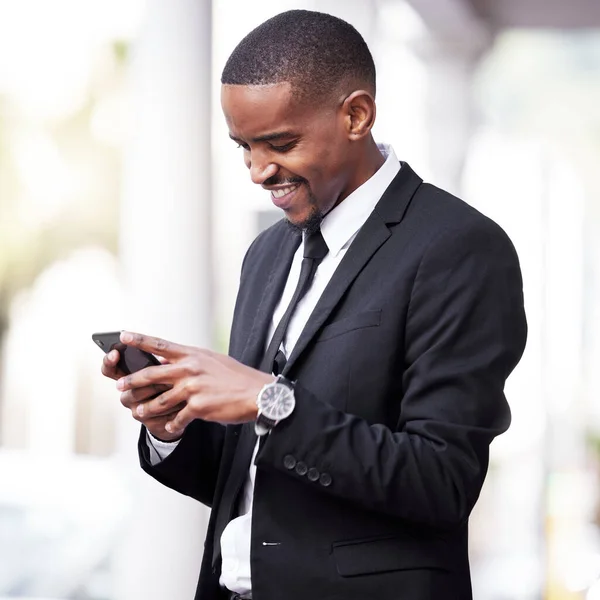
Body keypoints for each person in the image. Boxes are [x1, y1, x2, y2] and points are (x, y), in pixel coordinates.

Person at [101, 9, 527, 600]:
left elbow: (442, 481)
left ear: (357, 114)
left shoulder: (459, 247)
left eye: (279, 143)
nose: (257, 170)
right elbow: (258, 485)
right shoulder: (266, 255)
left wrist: (266, 400)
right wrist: (170, 424)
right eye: (243, 146)